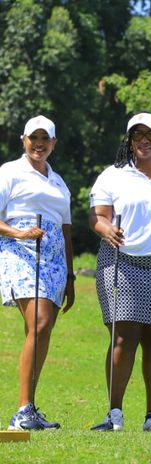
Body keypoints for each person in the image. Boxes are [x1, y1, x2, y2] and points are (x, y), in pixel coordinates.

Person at [88, 113, 151, 434]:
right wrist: (106, 230)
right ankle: (114, 413)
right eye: (137, 134)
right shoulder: (112, 176)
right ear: (129, 140)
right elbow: (98, 216)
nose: (144, 140)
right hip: (122, 263)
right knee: (123, 338)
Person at [0, 115, 74, 430]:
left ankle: (29, 408)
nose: (39, 144)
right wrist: (19, 234)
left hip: (56, 259)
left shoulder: (58, 181)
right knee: (40, 323)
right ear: (24, 140)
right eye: (34, 138)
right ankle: (21, 410)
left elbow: (67, 228)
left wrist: (71, 276)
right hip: (20, 252)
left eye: (45, 139)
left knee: (41, 331)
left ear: (54, 143)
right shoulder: (9, 172)